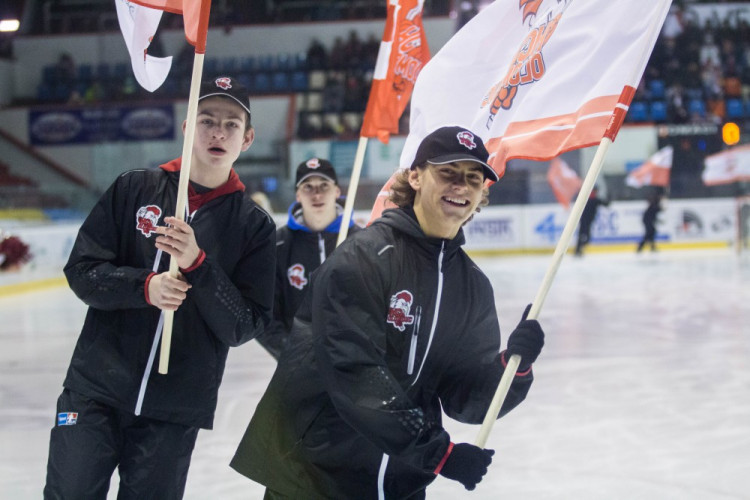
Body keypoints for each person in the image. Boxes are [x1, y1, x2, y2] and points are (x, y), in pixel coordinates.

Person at [230, 126, 545, 499]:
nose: (461, 186)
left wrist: (513, 367)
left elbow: (466, 399)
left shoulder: (473, 286)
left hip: (401, 485)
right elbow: (355, 371)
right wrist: (438, 453)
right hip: (314, 478)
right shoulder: (362, 258)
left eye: (473, 178)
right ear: (415, 176)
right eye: (447, 172)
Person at [44, 76, 276, 499]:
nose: (218, 132)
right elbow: (82, 270)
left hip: (175, 407)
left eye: (231, 124)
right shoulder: (134, 188)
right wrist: (144, 287)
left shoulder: (254, 227)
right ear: (188, 128)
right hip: (96, 388)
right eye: (207, 120)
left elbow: (245, 325)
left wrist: (198, 264)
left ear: (247, 138)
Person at [256, 157, 361, 359]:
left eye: (324, 185)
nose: (317, 194)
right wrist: (291, 354)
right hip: (298, 368)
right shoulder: (278, 244)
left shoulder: (362, 241)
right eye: (308, 187)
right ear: (297, 194)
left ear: (337, 191)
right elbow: (265, 312)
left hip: (353, 365)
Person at [574, 186, 609, 256]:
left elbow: (605, 204)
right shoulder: (593, 199)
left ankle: (578, 250)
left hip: (585, 220)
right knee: (585, 236)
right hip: (586, 220)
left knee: (583, 236)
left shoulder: (587, 199)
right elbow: (606, 204)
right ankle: (578, 250)